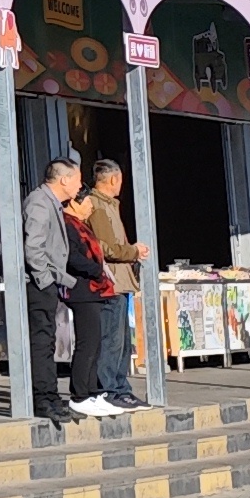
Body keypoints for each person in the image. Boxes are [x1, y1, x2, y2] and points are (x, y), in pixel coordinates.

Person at [18, 151, 89, 424]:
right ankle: (42, 396)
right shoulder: (39, 202)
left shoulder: (53, 204)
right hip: (39, 284)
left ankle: (48, 395)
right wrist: (46, 279)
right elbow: (33, 247)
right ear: (63, 180)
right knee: (41, 340)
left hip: (48, 281)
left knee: (46, 340)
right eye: (77, 180)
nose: (80, 187)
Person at [78, 159, 144, 412]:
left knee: (123, 340)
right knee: (111, 339)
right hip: (111, 282)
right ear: (114, 179)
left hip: (121, 281)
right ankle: (110, 389)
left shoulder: (110, 205)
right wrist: (132, 251)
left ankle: (120, 387)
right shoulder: (97, 206)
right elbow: (104, 247)